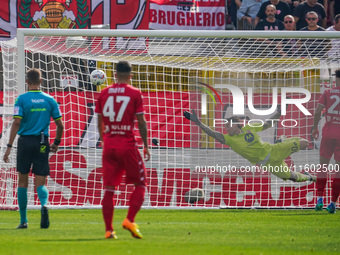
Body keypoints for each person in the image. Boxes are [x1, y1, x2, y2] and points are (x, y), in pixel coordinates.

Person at [3, 68, 64, 229]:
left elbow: (16, 122)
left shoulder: (21, 99)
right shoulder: (50, 99)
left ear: (27, 82)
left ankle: (23, 221)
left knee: (22, 181)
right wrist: (56, 143)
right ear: (41, 81)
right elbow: (60, 125)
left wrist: (9, 146)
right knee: (41, 182)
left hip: (24, 142)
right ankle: (44, 205)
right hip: (42, 142)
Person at [95, 60, 150, 239]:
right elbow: (141, 123)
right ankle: (129, 220)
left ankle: (108, 230)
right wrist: (146, 145)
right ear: (131, 75)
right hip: (127, 145)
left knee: (109, 189)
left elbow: (99, 122)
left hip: (109, 145)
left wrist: (104, 140)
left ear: (114, 74)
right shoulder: (134, 93)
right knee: (140, 184)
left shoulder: (103, 93)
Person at [184, 109, 317, 183]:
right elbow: (211, 133)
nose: (227, 128)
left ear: (237, 124)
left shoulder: (250, 127)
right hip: (267, 164)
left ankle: (282, 142)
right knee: (292, 178)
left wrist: (278, 113)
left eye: (229, 125)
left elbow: (267, 124)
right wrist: (197, 122)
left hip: (274, 151)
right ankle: (309, 176)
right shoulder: (229, 139)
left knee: (305, 142)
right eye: (225, 127)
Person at [312, 69, 340, 214]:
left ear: (336, 78)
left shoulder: (328, 92)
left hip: (328, 134)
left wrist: (315, 128)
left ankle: (319, 199)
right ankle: (333, 203)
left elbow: (317, 112)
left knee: (323, 167)